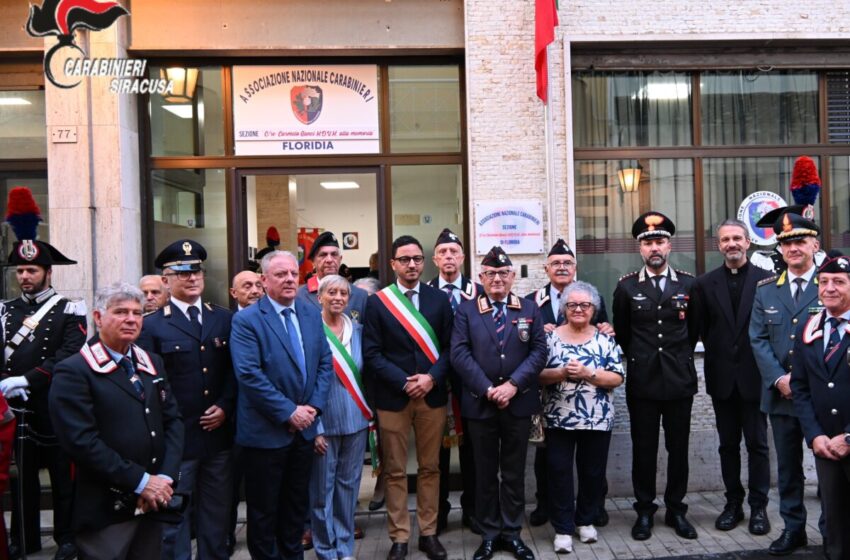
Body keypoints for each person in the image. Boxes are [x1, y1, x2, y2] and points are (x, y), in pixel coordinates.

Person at [48, 284, 184, 559]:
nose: (131, 319)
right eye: (120, 312)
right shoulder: (74, 370)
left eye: (137, 313)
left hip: (154, 500)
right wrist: (141, 481)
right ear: (98, 317)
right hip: (105, 507)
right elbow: (82, 442)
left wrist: (164, 479)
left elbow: (173, 422)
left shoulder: (151, 362)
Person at [0, 187, 85, 560]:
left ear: (48, 272)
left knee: (62, 477)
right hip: (16, 408)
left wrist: (26, 379)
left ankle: (67, 537)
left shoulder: (71, 308)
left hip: (53, 403)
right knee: (23, 481)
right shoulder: (4, 310)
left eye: (32, 270)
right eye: (20, 270)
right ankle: (24, 537)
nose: (25, 276)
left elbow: (69, 355)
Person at [230, 250, 332, 560]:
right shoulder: (247, 320)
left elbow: (324, 362)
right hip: (266, 434)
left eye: (293, 274)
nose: (289, 279)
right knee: (263, 515)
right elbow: (249, 374)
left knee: (294, 509)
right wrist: (289, 412)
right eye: (280, 274)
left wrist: (313, 408)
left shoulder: (310, 312)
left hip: (302, 433)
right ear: (263, 280)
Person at [137, 239, 236, 560]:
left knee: (217, 516)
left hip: (218, 438)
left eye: (196, 271)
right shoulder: (151, 326)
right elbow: (150, 386)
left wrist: (224, 405)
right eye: (182, 273)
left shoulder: (223, 319)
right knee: (174, 516)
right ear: (165, 280)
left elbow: (236, 373)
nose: (192, 278)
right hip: (177, 442)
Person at [450, 246, 547, 560]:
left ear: (512, 277)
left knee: (515, 472)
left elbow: (538, 353)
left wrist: (513, 386)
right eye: (490, 273)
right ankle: (489, 533)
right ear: (481, 277)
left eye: (503, 273)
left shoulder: (529, 308)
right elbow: (460, 354)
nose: (497, 279)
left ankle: (512, 533)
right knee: (485, 472)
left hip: (517, 405)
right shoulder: (467, 310)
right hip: (481, 404)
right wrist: (489, 388)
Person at [363, 235, 453, 560]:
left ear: (423, 262)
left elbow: (450, 349)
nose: (412, 264)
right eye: (405, 259)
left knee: (430, 468)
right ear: (393, 264)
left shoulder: (439, 301)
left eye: (416, 258)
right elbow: (371, 354)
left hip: (432, 396)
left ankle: (428, 533)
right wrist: (404, 382)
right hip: (393, 397)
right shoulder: (378, 302)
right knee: (396, 471)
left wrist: (430, 378)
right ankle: (399, 536)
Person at [612, 211, 699, 541]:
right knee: (643, 449)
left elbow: (694, 331)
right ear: (640, 249)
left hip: (679, 381)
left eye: (660, 241)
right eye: (648, 243)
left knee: (678, 449)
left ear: (669, 245)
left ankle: (677, 509)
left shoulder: (689, 284)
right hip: (643, 382)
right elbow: (623, 334)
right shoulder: (627, 287)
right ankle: (645, 511)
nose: (654, 248)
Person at [524, 238, 613, 528]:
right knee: (548, 457)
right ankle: (545, 505)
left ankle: (594, 508)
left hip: (591, 400)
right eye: (556, 263)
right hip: (549, 396)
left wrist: (605, 328)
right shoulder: (532, 302)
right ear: (546, 268)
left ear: (575, 268)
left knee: (592, 463)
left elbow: (605, 331)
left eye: (567, 263)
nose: (562, 267)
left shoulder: (590, 298)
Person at [691, 219, 772, 535]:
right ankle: (733, 504)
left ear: (748, 242)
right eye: (725, 240)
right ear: (719, 245)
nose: (731, 244)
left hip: (756, 377)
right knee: (727, 445)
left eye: (737, 238)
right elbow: (695, 330)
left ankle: (759, 507)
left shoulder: (767, 282)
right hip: (722, 378)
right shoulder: (703, 285)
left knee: (758, 445)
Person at [750, 210, 823, 556]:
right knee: (789, 469)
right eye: (787, 243)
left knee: (829, 468)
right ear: (779, 249)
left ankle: (833, 529)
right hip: (782, 396)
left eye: (800, 241)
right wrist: (779, 378)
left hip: (825, 397)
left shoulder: (833, 283)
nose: (793, 248)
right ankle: (794, 529)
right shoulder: (766, 291)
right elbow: (758, 339)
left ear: (815, 244)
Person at [539, 281, 624, 553]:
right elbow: (537, 374)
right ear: (563, 308)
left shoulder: (605, 339)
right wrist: (562, 372)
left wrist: (589, 374)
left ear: (594, 309)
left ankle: (585, 521)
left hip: (596, 419)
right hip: (557, 418)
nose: (578, 309)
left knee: (592, 473)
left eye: (585, 305)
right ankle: (563, 528)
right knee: (559, 473)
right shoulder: (549, 338)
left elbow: (617, 377)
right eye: (572, 304)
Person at [790, 253, 850, 560]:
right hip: (825, 444)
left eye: (839, 282)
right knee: (834, 523)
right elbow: (800, 388)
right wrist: (814, 436)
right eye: (824, 282)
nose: (829, 288)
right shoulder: (809, 328)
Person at [310, 274, 374, 560]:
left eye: (343, 294)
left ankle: (345, 548)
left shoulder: (359, 330)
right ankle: (325, 549)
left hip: (356, 422)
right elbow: (306, 381)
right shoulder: (310, 331)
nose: (338, 298)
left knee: (348, 489)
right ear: (319, 297)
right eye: (331, 292)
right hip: (324, 423)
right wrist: (316, 427)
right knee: (322, 491)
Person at [427, 228, 481, 534]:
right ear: (435, 259)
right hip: (436, 381)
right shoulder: (424, 292)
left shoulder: (478, 291)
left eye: (454, 252)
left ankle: (472, 510)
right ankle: (440, 511)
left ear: (463, 257)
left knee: (473, 450)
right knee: (436, 452)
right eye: (443, 252)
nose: (449, 257)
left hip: (470, 383)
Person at [297, 231, 369, 323]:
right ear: (313, 262)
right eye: (323, 255)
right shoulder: (300, 296)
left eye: (334, 254)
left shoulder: (360, 296)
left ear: (340, 259)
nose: (329, 260)